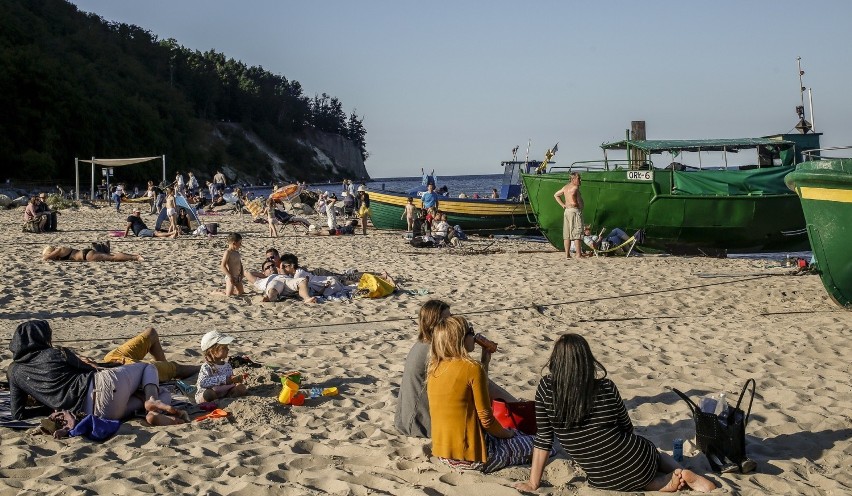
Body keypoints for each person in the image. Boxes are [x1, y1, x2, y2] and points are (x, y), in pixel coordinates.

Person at [516, 334, 716, 493]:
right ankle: (678, 472)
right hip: (636, 456)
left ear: (557, 362)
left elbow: (543, 439)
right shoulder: (605, 387)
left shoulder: (545, 388)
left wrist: (534, 484)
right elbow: (626, 428)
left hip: (601, 476)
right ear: (587, 361)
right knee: (654, 453)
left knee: (628, 480)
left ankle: (662, 484)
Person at [7, 320, 187, 425]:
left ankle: (151, 412)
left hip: (93, 413)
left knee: (155, 393)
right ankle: (152, 401)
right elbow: (94, 370)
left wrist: (49, 406)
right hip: (101, 387)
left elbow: (18, 414)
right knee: (149, 369)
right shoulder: (55, 353)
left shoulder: (14, 371)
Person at [428, 315, 535, 473]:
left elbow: (472, 389)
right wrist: (507, 434)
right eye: (471, 331)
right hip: (474, 458)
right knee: (540, 443)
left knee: (516, 433)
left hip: (445, 453)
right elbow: (487, 420)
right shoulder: (471, 367)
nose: (475, 335)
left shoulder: (434, 367)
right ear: (461, 339)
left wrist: (485, 361)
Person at [395, 300, 515, 438]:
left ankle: (517, 406)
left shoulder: (425, 343)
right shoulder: (435, 351)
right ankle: (518, 407)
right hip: (421, 423)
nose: (452, 322)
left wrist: (483, 362)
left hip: (408, 419)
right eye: (448, 318)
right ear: (437, 324)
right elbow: (476, 386)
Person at [102, 327, 200, 381]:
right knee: (176, 369)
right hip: (129, 369)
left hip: (111, 359)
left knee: (151, 333)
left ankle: (165, 369)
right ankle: (168, 370)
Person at [194, 331, 248, 402]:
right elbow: (203, 382)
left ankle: (227, 400)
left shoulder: (227, 365)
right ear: (212, 351)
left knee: (241, 388)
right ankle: (215, 402)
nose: (228, 349)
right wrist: (224, 379)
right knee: (208, 394)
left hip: (224, 393)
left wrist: (236, 379)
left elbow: (230, 380)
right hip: (210, 393)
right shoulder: (207, 366)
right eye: (224, 347)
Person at [244, 260, 316, 303]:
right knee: (274, 285)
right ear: (263, 271)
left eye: (272, 265)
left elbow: (298, 269)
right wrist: (263, 275)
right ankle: (269, 298)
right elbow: (247, 273)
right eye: (268, 267)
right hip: (274, 282)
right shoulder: (262, 280)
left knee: (302, 280)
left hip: (287, 281)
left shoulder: (284, 273)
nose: (271, 267)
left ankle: (307, 299)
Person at [279, 253, 347, 297]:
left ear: (292, 265)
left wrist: (282, 272)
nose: (283, 269)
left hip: (329, 285)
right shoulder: (292, 274)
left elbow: (291, 286)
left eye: (284, 266)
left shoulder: (299, 273)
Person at [553, 172, 584, 259]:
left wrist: (563, 205)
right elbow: (578, 201)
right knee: (577, 232)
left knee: (567, 233)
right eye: (579, 178)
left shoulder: (565, 187)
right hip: (575, 211)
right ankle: (578, 254)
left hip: (567, 211)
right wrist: (580, 207)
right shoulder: (575, 188)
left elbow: (556, 195)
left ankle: (567, 254)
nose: (580, 180)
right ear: (573, 179)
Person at [42, 245, 143, 262]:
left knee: (113, 257)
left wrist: (46, 256)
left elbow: (45, 258)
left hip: (87, 256)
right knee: (111, 256)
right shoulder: (61, 251)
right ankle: (133, 255)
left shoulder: (60, 249)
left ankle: (135, 257)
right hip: (86, 254)